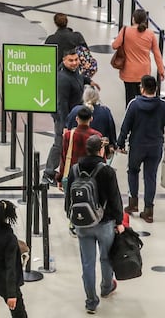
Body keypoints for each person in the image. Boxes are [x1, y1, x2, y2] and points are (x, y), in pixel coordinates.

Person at [64, 135, 125, 314]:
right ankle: (106, 287)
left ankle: (91, 301)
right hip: (104, 223)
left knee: (87, 263)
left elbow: (68, 197)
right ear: (101, 150)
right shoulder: (107, 171)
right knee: (105, 258)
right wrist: (119, 221)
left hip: (82, 223)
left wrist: (72, 219)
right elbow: (115, 199)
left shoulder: (75, 169)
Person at [116, 75, 165, 223]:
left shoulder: (134, 104)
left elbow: (126, 126)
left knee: (133, 171)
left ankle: (133, 203)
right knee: (150, 177)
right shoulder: (163, 105)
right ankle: (149, 211)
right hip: (155, 147)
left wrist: (120, 142)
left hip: (137, 146)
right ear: (155, 89)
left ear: (142, 88)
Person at [43, 49, 99, 184]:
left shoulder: (74, 72)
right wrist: (65, 125)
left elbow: (78, 78)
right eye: (71, 60)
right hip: (65, 118)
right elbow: (62, 104)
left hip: (75, 116)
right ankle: (48, 173)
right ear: (64, 61)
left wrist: (88, 81)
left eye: (76, 60)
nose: (74, 63)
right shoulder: (62, 79)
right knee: (59, 144)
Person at [111, 9, 165, 106]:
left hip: (129, 72)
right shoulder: (150, 34)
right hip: (144, 72)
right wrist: (161, 70)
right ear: (145, 20)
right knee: (144, 100)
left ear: (133, 19)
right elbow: (157, 54)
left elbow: (114, 45)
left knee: (130, 101)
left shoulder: (125, 30)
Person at [59, 107, 103, 187]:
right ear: (91, 119)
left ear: (77, 119)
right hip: (93, 177)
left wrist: (60, 177)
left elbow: (64, 157)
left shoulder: (69, 135)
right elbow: (102, 158)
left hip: (73, 176)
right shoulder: (97, 136)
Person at [66, 85, 117, 153]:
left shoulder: (75, 110)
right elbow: (111, 131)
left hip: (77, 150)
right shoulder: (105, 111)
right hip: (98, 151)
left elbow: (68, 128)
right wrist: (113, 145)